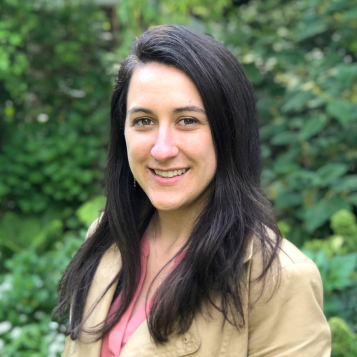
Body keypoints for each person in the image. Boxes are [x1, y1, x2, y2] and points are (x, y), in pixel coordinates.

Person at [55, 25, 331, 357]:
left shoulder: (278, 279)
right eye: (144, 121)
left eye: (187, 120)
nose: (162, 149)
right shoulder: (105, 239)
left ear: (228, 134)